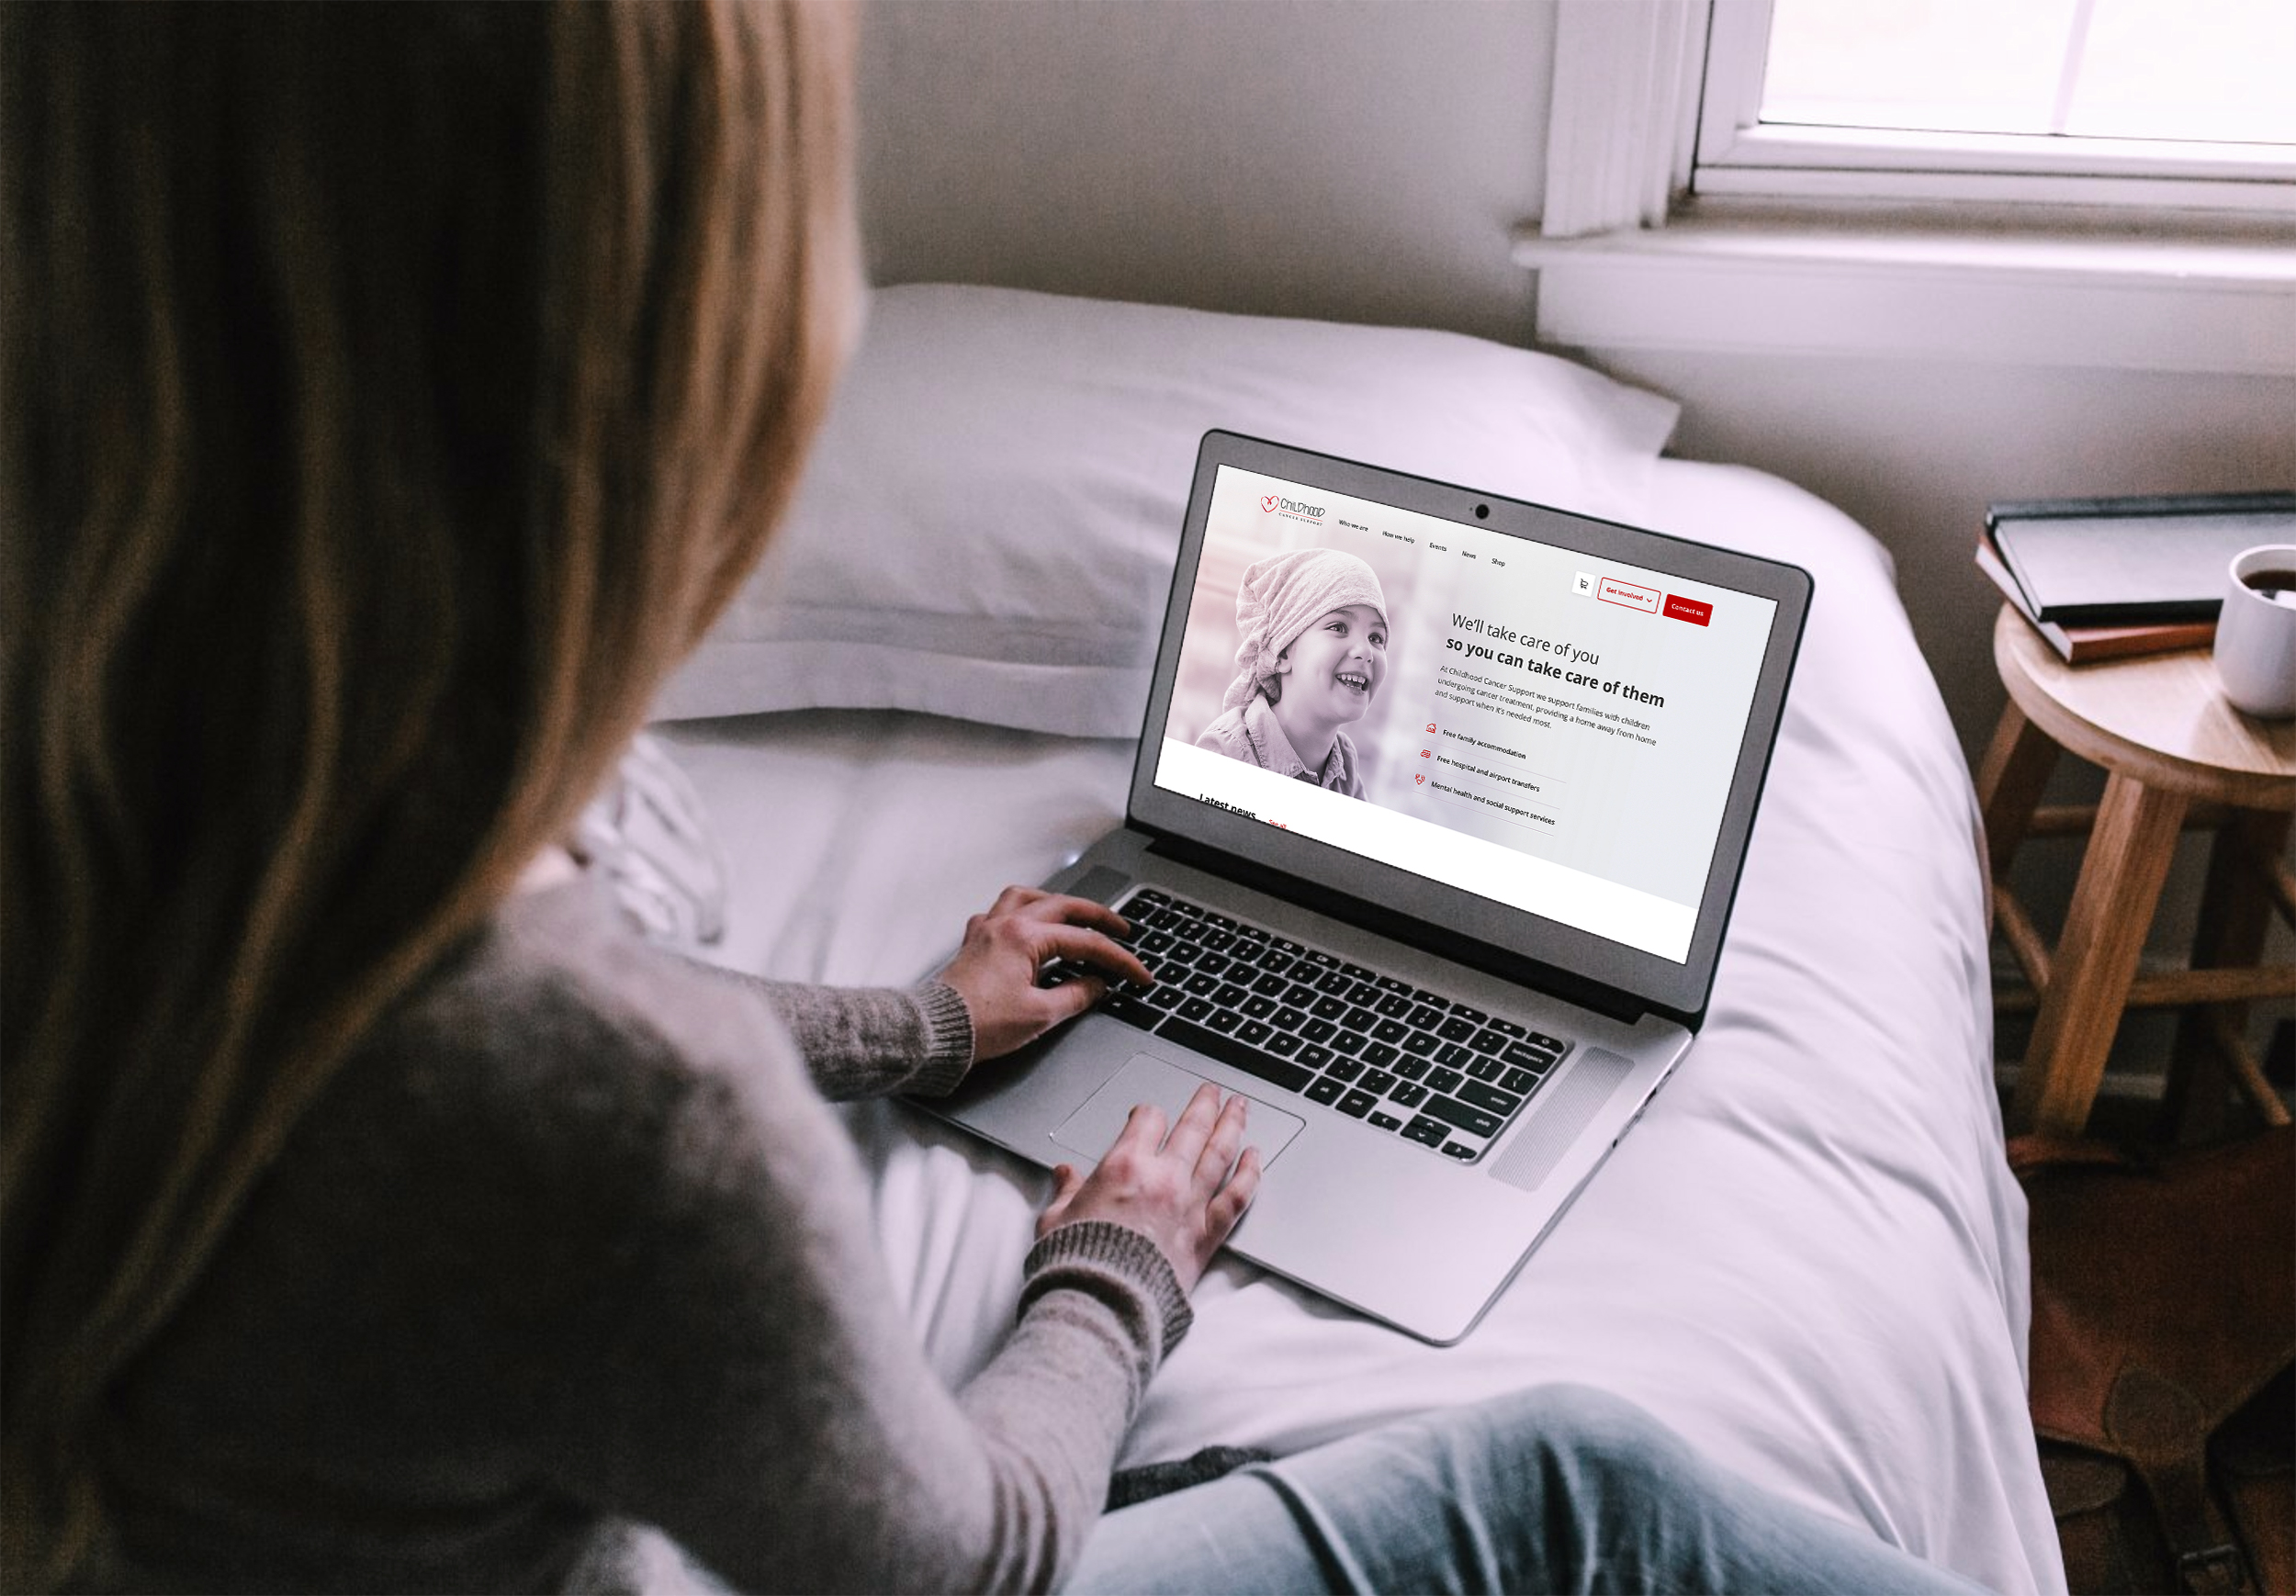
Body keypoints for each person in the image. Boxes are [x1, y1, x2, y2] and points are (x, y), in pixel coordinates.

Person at [0, 6, 1986, 1592]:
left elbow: (410, 1044)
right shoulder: (629, 1118)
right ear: (660, 375)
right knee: (1580, 1493)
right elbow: (968, 1554)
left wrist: (922, 1025)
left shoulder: (136, 821)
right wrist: (1119, 1259)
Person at [1197, 549, 1389, 798]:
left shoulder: (1345, 771)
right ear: (1284, 652)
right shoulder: (1227, 755)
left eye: (1376, 638)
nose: (1366, 651)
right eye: (1338, 627)